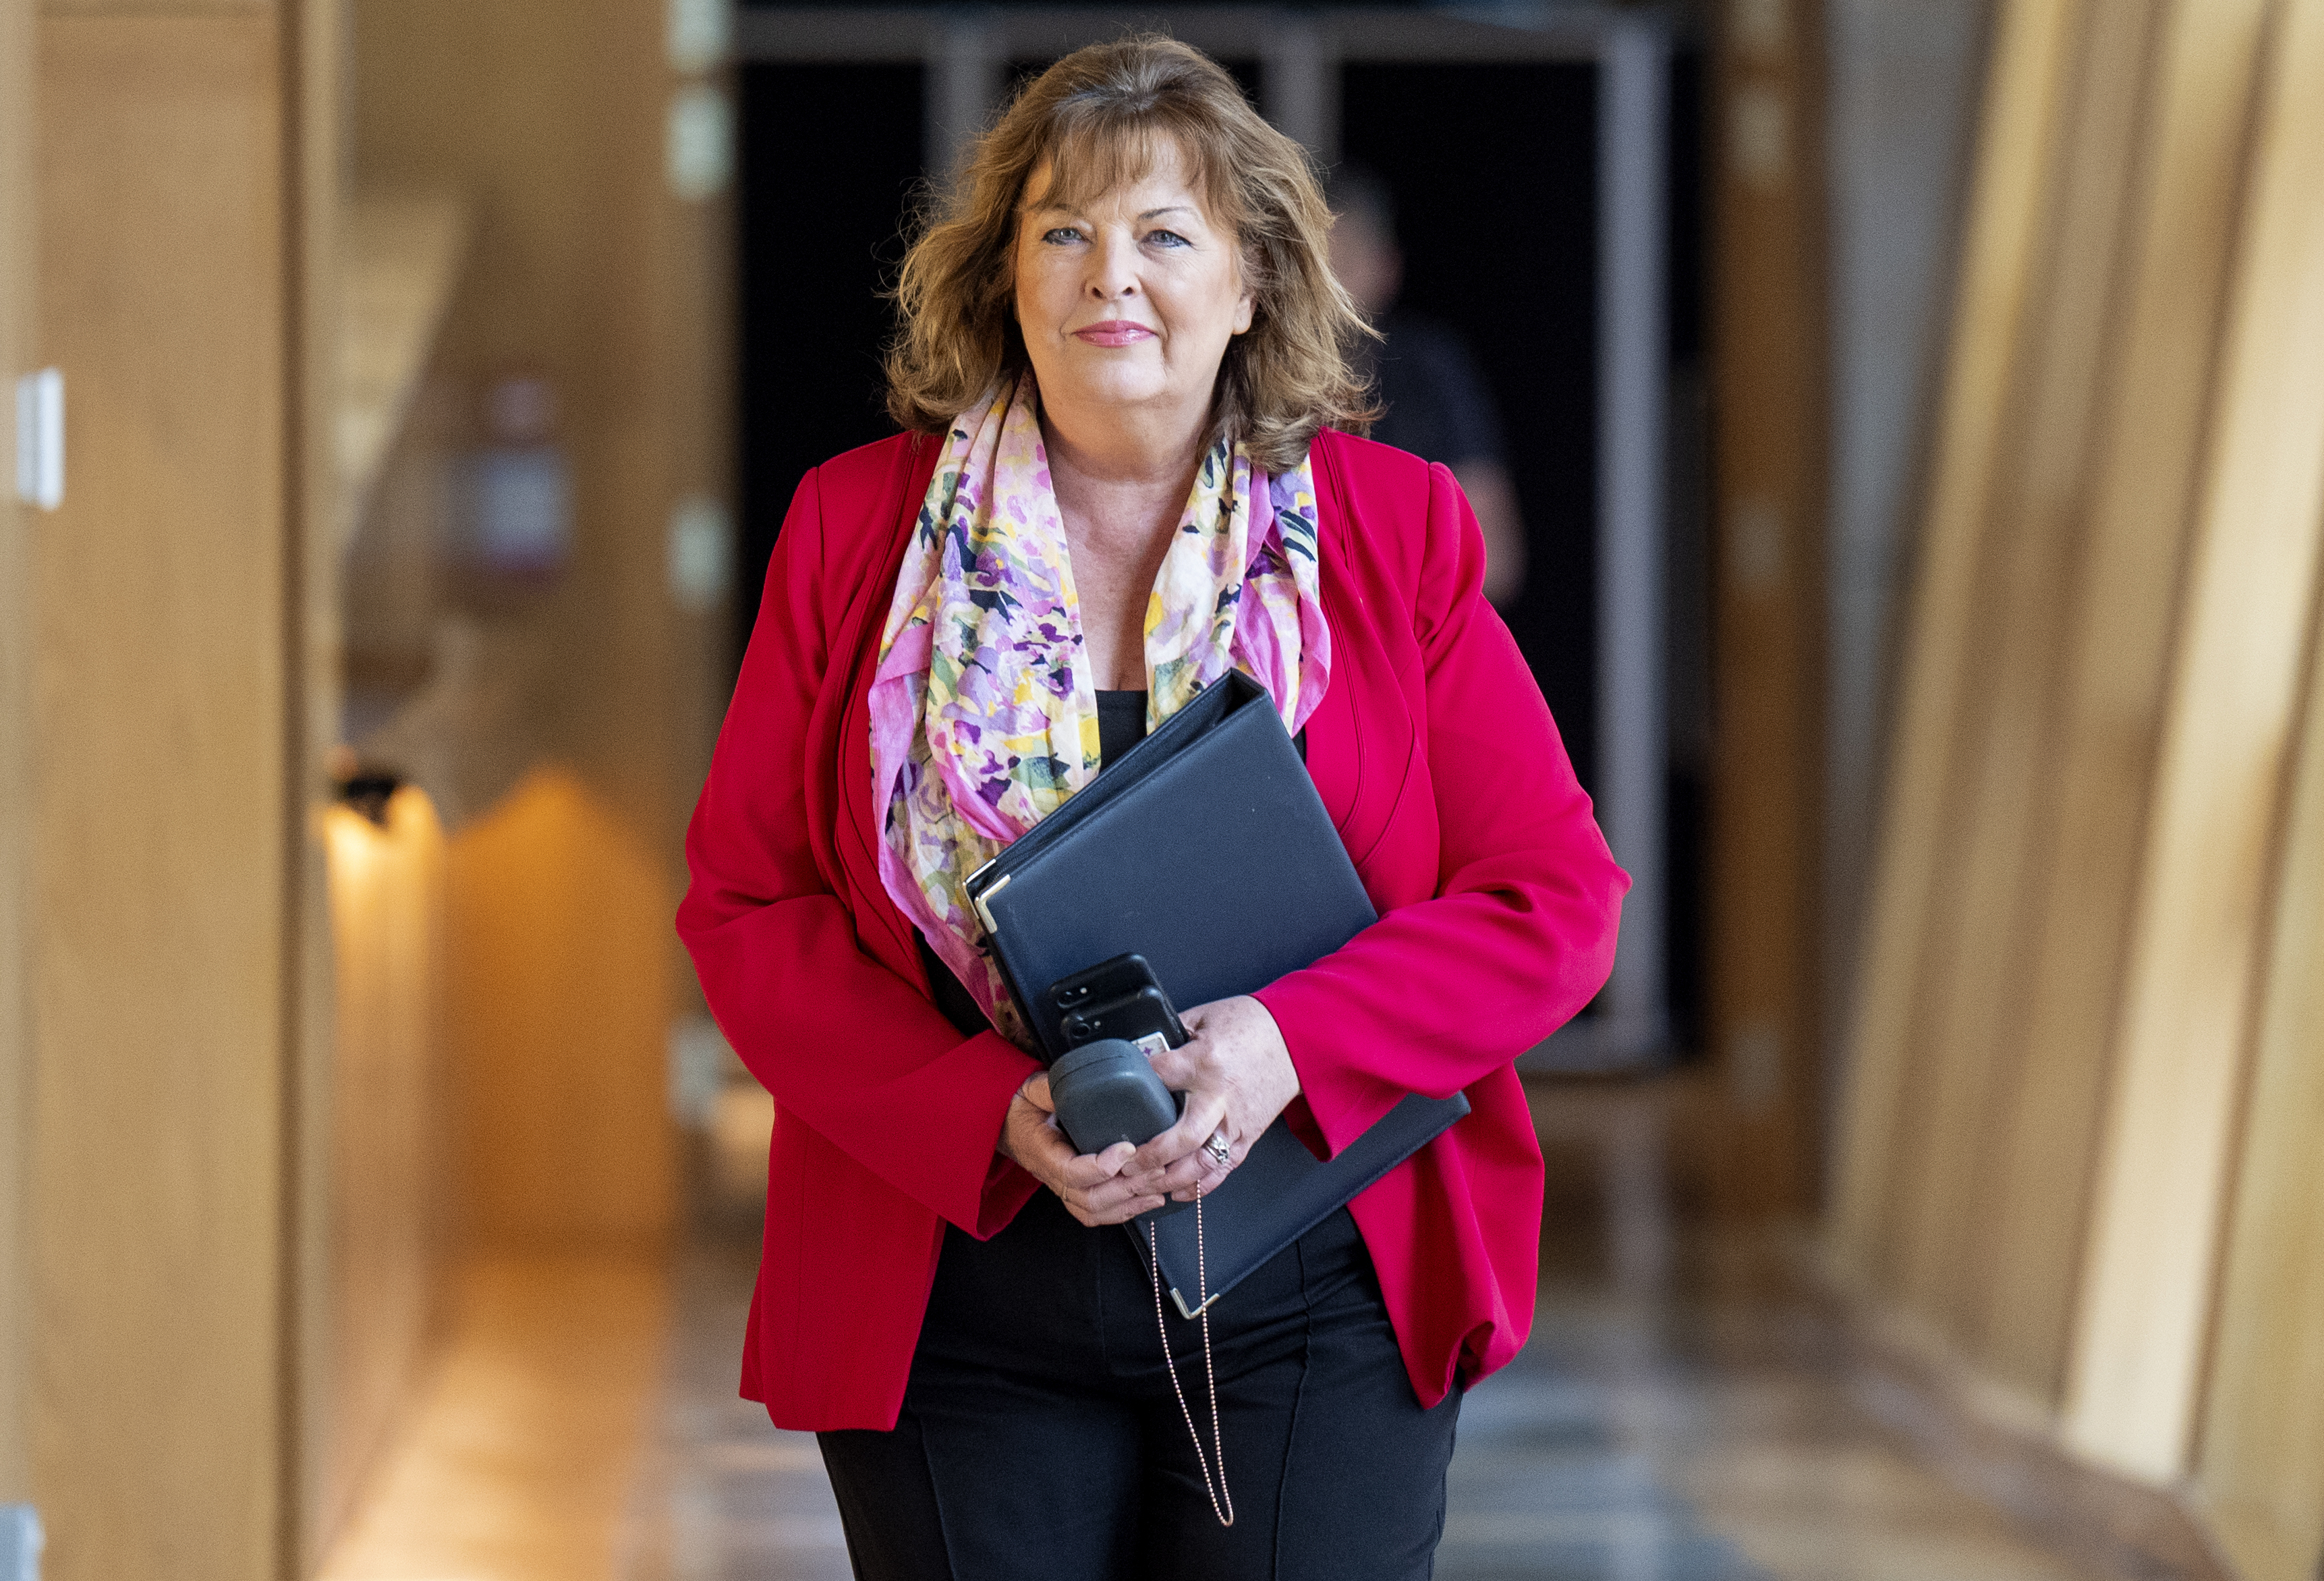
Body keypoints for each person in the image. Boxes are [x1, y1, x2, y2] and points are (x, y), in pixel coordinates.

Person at [677, 36, 1626, 1581]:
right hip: (960, 1278)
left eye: (1164, 235)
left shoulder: (1394, 530)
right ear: (1007, 276)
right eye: (1065, 231)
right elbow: (746, 909)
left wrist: (1286, 1044)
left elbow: (1555, 900)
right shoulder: (856, 529)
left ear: (1251, 280)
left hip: (1317, 1272)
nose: (1110, 275)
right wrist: (978, 1105)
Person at [1326, 163, 1530, 607]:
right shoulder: (1249, 379)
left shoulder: (1426, 370)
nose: (1329, 289)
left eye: (1342, 263)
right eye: (1311, 267)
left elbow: (1495, 559)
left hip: (1407, 643)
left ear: (1387, 268)